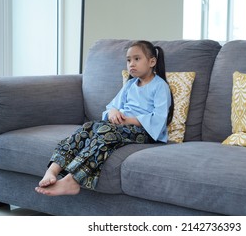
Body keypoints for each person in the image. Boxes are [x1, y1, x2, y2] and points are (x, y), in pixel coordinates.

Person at [35, 40, 174, 196]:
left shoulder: (160, 86)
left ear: (152, 62)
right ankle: (53, 169)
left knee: (105, 132)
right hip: (122, 127)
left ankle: (72, 180)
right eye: (128, 60)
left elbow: (159, 119)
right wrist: (114, 111)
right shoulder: (130, 84)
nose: (131, 64)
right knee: (88, 127)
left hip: (145, 132)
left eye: (137, 59)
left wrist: (127, 120)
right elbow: (112, 106)